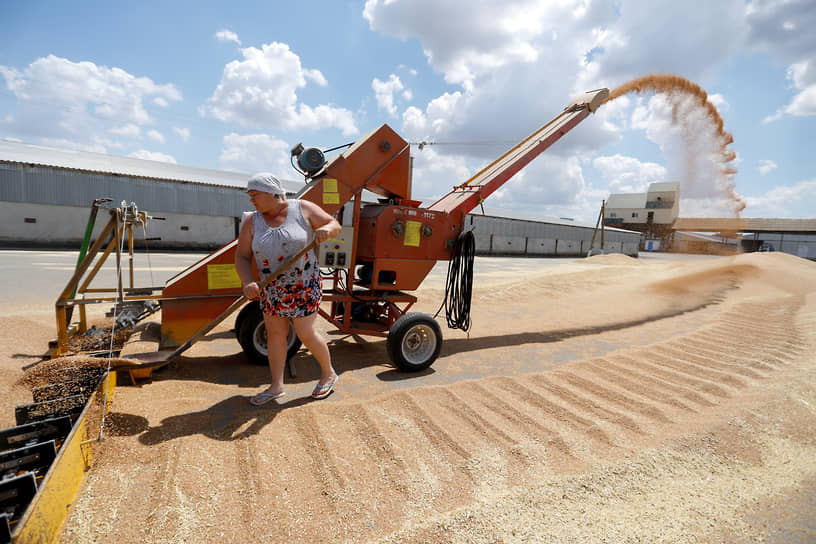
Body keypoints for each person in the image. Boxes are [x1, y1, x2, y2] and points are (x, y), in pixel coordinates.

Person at [235, 172, 341, 405]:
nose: (252, 200)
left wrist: (327, 230)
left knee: (305, 332)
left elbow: (335, 224)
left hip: (304, 284)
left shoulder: (302, 208)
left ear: (273, 193)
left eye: (255, 195)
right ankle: (276, 386)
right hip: (271, 288)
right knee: (275, 335)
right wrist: (247, 282)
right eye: (250, 196)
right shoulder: (252, 221)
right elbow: (242, 257)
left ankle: (329, 373)